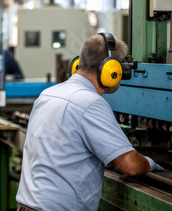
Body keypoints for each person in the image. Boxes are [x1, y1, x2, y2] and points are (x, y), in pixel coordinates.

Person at [16, 33, 163, 211]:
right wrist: (149, 163)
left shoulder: (47, 94)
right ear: (111, 70)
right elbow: (130, 165)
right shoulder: (91, 103)